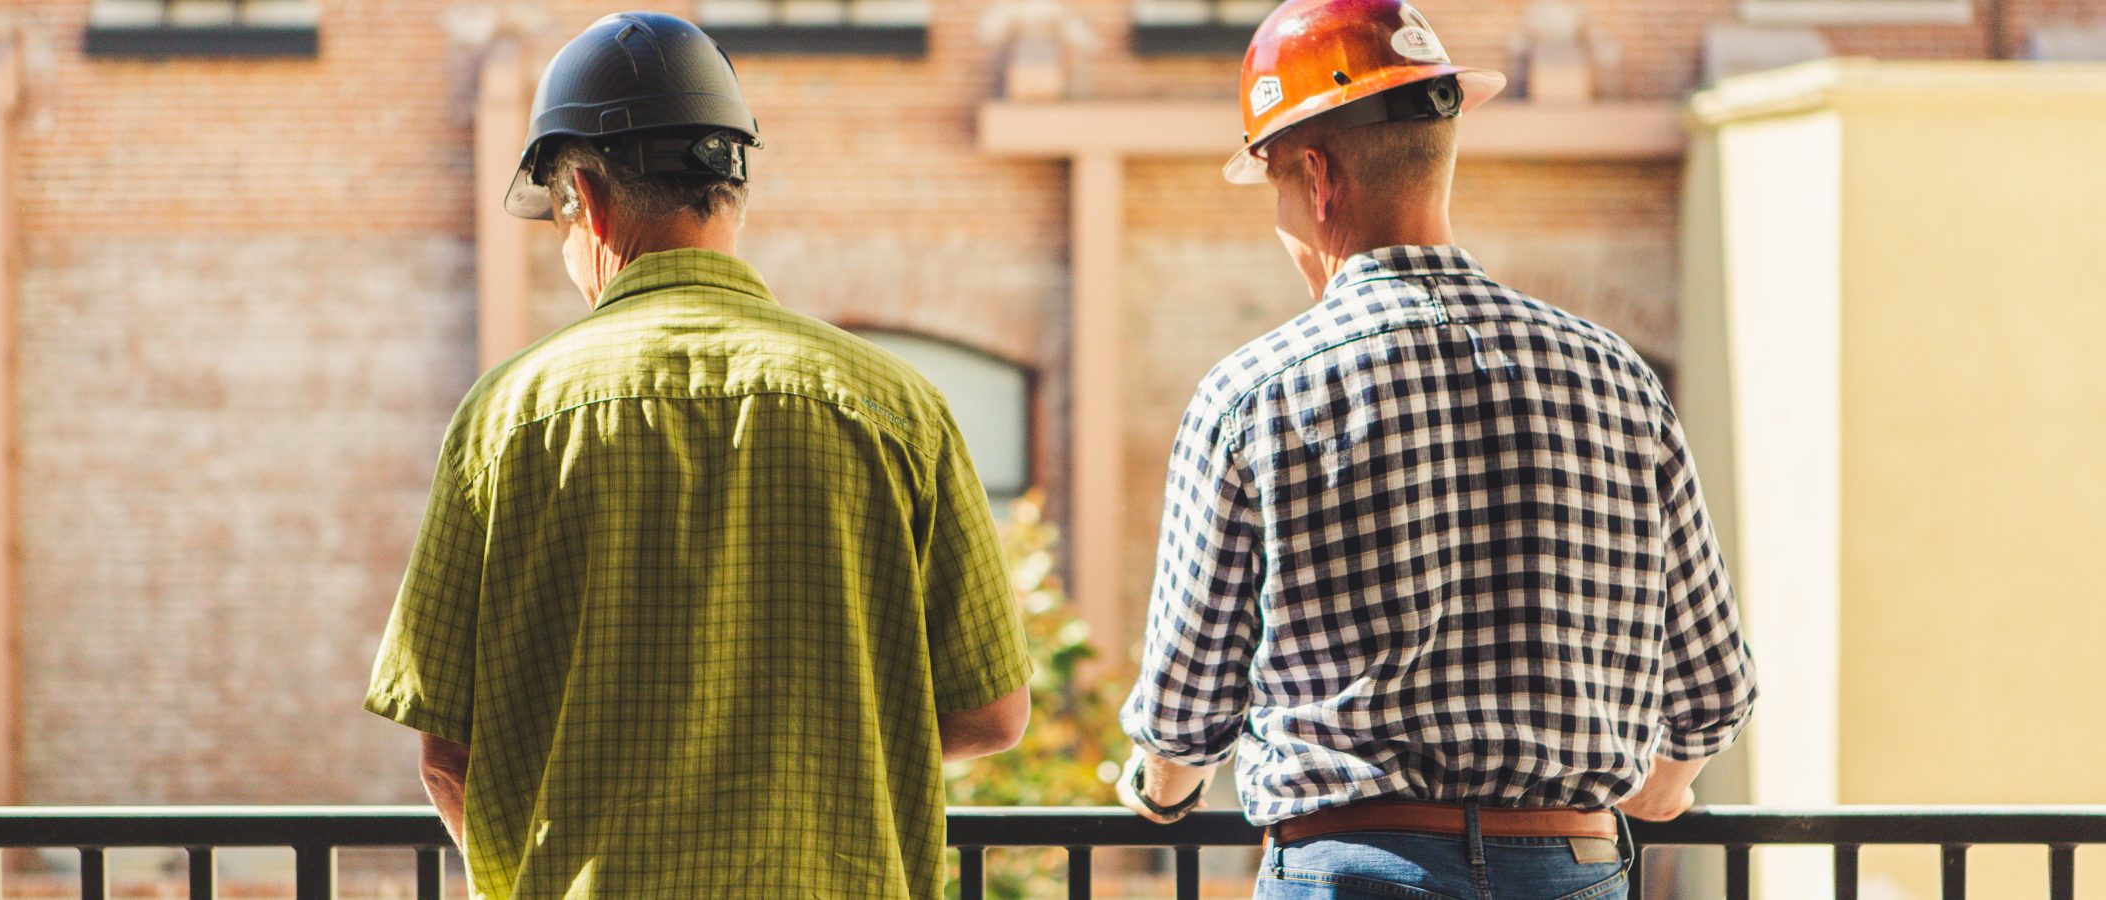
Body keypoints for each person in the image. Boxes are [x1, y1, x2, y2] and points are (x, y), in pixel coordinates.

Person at [362, 13, 1032, 898]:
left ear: (586, 204)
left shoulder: (507, 419)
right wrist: (822, 750)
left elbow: (447, 753)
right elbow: (992, 712)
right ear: (731, 196)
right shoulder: (898, 409)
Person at [1111, 1, 1758, 897]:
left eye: (1277, 193)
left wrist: (1159, 790)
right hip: (1573, 868)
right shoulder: (1616, 376)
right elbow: (1713, 689)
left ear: (1317, 175)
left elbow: (1185, 713)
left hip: (1353, 871)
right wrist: (1657, 786)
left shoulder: (1254, 394)